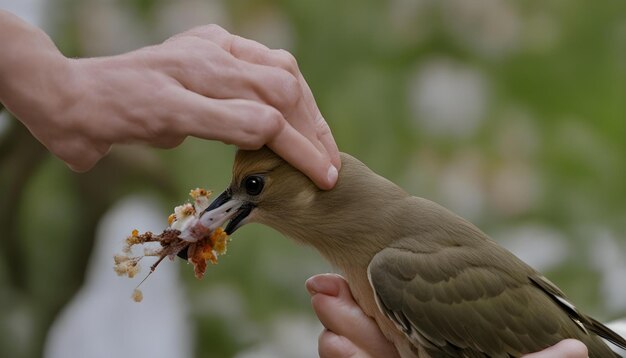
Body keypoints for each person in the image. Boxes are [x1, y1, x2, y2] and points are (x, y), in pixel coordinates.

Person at [0, 10, 589, 358]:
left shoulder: (400, 269)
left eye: (252, 187)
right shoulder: (384, 259)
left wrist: (56, 86)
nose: (227, 209)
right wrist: (49, 85)